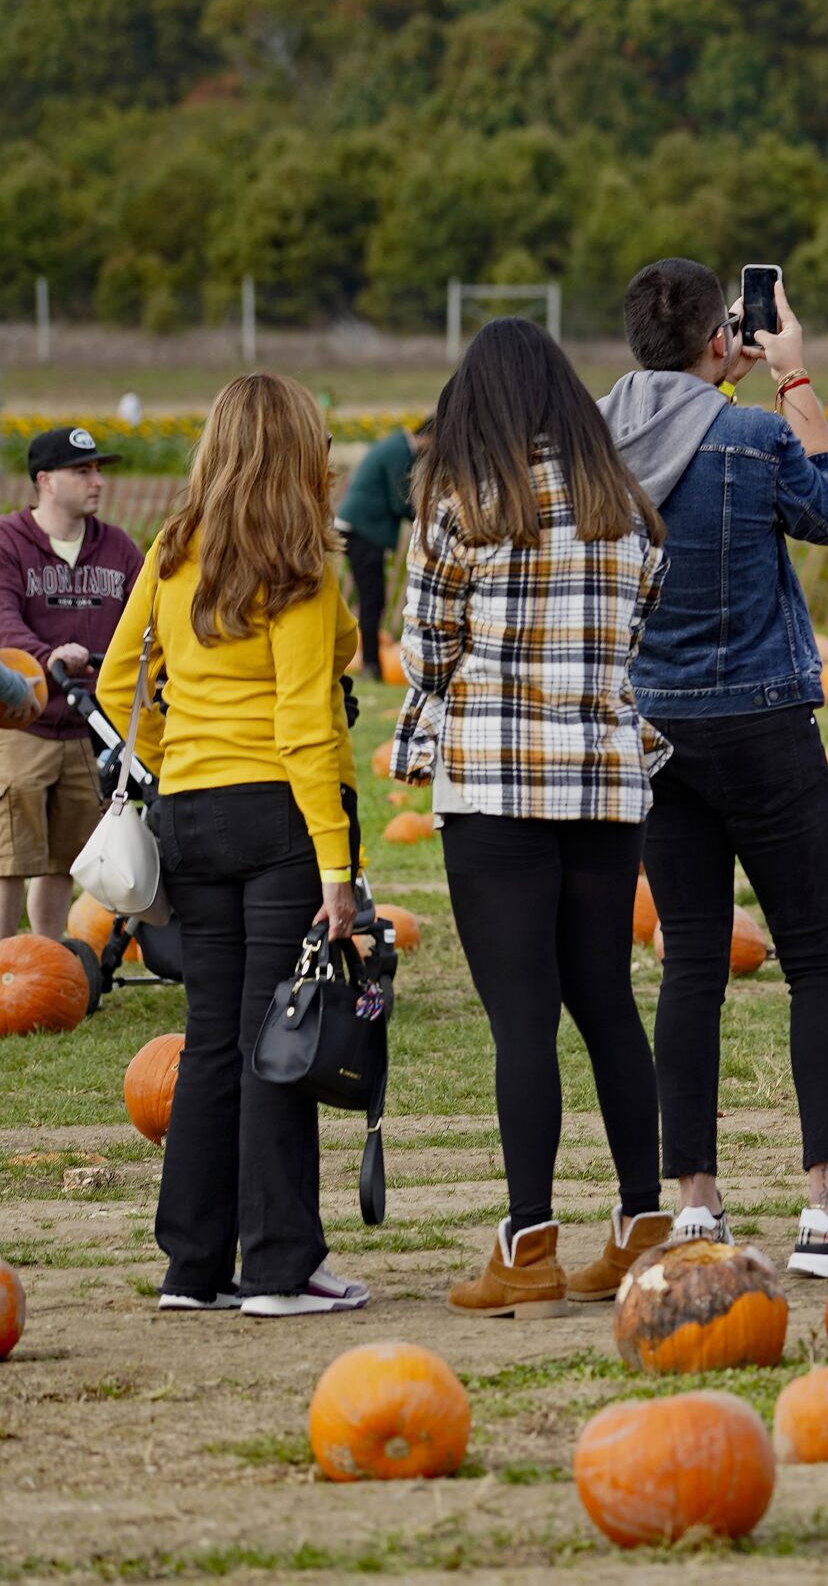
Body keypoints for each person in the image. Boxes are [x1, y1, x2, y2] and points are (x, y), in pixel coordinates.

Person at [601, 261, 828, 1277]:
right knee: (816, 959)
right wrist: (793, 379)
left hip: (658, 731)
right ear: (719, 339)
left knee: (691, 962)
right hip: (766, 723)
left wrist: (716, 379)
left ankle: (695, 1204)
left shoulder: (600, 441)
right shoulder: (752, 435)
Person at [398, 319, 671, 1318]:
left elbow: (426, 655)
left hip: (497, 785)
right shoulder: (626, 508)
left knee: (523, 1020)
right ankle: (642, 1224)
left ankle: (527, 1245)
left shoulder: (462, 506)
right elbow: (635, 632)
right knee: (607, 1003)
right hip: (602, 783)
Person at [97, 375, 366, 1318]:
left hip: (189, 813)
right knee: (275, 1042)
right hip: (278, 817)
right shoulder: (298, 565)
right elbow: (306, 723)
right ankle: (281, 1266)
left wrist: (173, 755)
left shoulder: (173, 551)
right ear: (300, 454)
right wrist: (337, 866)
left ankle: (193, 1266)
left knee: (211, 1039)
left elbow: (119, 678)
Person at [0, 426, 141, 940]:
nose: (96, 481)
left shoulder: (118, 548)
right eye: (82, 471)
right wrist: (49, 657)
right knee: (10, 858)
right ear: (45, 481)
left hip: (91, 726)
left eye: (97, 470)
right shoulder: (9, 541)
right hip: (26, 722)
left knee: (66, 859)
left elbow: (143, 619)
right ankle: (5, 963)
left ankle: (48, 954)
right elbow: (3, 620)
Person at [335, 423, 416, 683]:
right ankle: (371, 665)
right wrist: (424, 516)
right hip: (362, 531)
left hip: (358, 529)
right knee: (371, 599)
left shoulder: (395, 445)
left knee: (372, 599)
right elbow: (400, 499)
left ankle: (371, 663)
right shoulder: (400, 451)